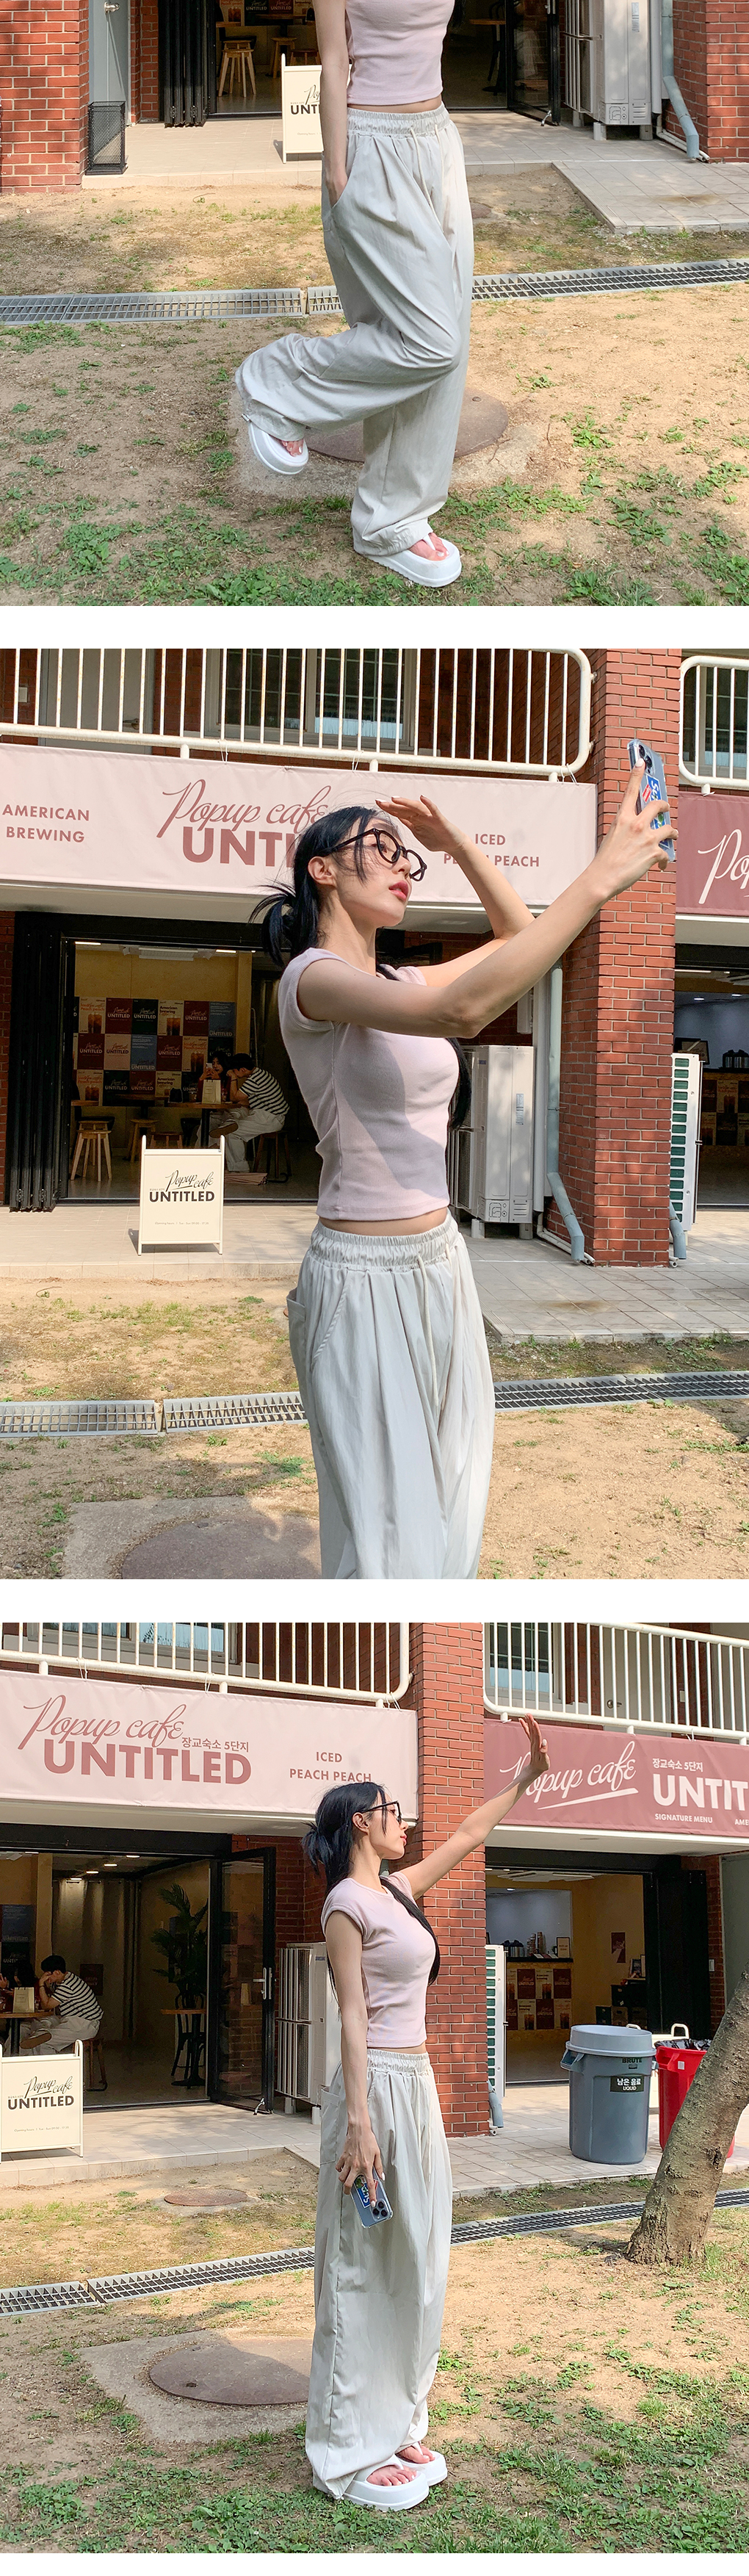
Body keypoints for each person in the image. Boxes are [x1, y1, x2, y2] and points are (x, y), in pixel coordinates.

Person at [266, 761, 674, 1578]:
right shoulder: (312, 981)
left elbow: (520, 939)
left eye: (408, 856)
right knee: (391, 1529)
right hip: (362, 1275)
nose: (402, 865)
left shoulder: (399, 979)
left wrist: (455, 843)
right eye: (381, 847)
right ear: (323, 869)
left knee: (456, 1497)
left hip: (440, 1263)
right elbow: (463, 1010)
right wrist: (599, 877)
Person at [235, 0, 620, 589]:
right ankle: (275, 383)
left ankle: (392, 519)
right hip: (371, 143)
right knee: (424, 340)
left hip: (435, 142)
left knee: (444, 340)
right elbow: (335, 63)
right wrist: (338, 170)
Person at [303, 1721, 550, 2511]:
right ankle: (347, 2451)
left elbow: (471, 1834)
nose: (403, 1820)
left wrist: (525, 1778)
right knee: (362, 2260)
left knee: (421, 2253)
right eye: (391, 1810)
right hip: (373, 2089)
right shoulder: (346, 1904)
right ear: (360, 1824)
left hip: (416, 2083)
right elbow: (351, 2015)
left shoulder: (398, 1892)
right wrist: (360, 2123)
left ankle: (401, 2419)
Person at [26, 1955, 103, 2052]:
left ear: (57, 1972)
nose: (44, 1976)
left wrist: (41, 1984)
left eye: (47, 1974)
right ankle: (42, 2034)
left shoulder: (68, 1985)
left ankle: (44, 2039)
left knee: (42, 2042)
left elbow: (47, 2005)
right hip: (74, 2020)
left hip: (83, 2024)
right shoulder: (66, 1979)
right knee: (41, 2021)